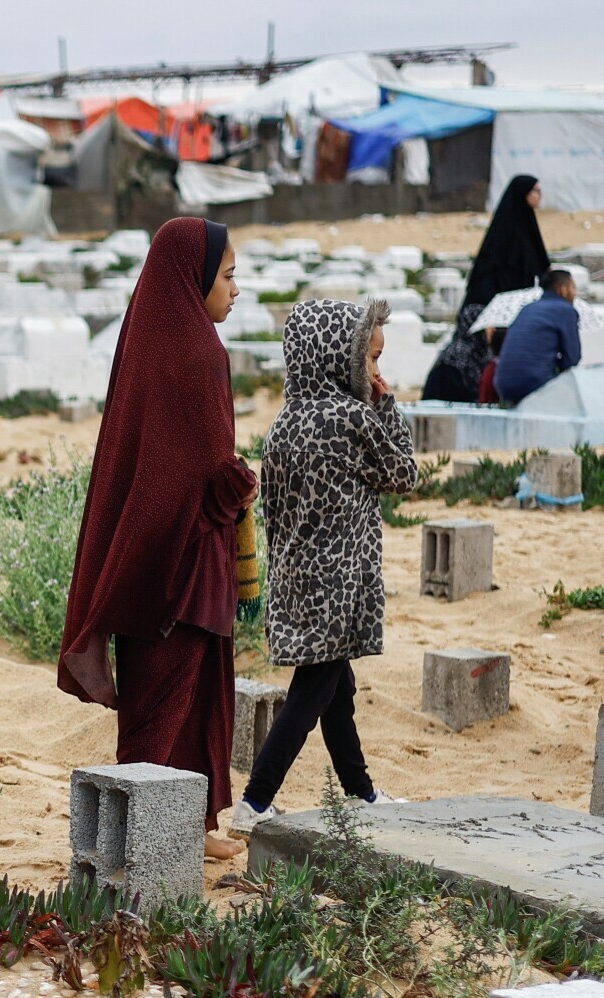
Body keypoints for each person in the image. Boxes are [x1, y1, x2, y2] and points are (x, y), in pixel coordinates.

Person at [58, 217, 255, 861]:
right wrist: (238, 485)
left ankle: (188, 829)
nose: (235, 289)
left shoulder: (149, 338)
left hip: (153, 557)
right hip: (184, 565)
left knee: (174, 694)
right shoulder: (198, 353)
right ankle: (152, 837)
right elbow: (195, 475)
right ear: (193, 278)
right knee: (172, 700)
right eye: (227, 276)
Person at [228, 299, 418, 836]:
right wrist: (386, 405)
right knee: (313, 692)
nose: (377, 373)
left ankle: (360, 792)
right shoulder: (351, 417)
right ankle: (255, 801)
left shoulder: (286, 421)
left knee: (337, 691)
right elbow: (404, 472)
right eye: (371, 360)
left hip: (296, 579)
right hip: (340, 584)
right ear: (339, 358)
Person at [423, 175, 549, 403]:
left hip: (509, 309)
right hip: (490, 310)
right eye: (535, 191)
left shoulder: (526, 227)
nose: (539, 196)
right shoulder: (510, 231)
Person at [492, 270, 583, 404]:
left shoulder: (527, 308)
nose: (575, 294)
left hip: (503, 384)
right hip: (534, 382)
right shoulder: (565, 310)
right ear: (563, 289)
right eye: (573, 288)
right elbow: (572, 359)